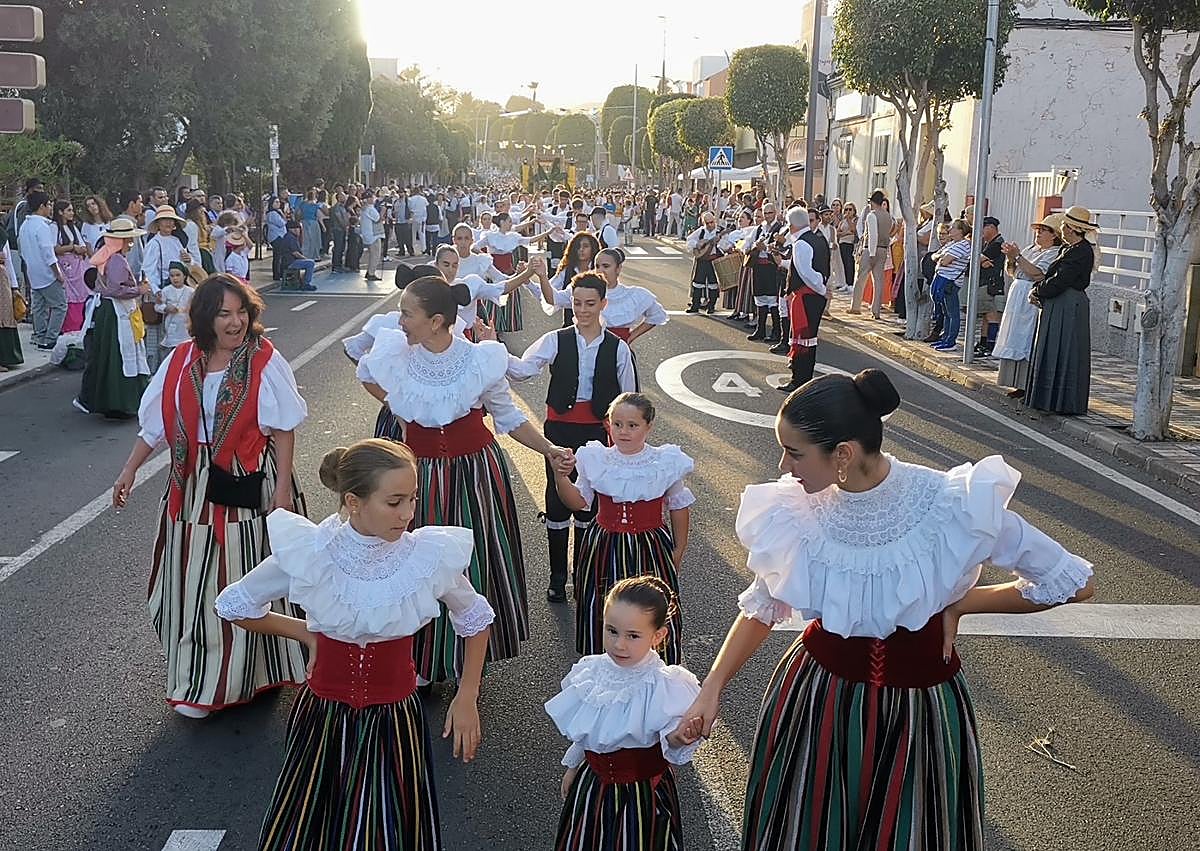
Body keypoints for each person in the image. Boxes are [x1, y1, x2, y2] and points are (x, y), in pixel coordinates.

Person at [672, 369, 1095, 850]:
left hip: (919, 716)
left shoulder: (951, 502)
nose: (785, 466)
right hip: (817, 704)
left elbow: (1073, 583)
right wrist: (712, 689)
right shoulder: (796, 509)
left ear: (844, 455)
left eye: (794, 452)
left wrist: (959, 605)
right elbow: (763, 605)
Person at [216, 439, 494, 849]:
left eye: (412, 499)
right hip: (323, 716)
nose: (408, 514)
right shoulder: (313, 551)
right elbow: (235, 604)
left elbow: (475, 619)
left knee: (388, 828)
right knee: (313, 822)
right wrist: (307, 633)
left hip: (394, 719)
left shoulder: (425, 557)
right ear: (354, 501)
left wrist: (467, 694)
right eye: (394, 502)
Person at [356, 275, 573, 684]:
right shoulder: (396, 355)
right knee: (410, 561)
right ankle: (418, 657)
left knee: (470, 562)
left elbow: (508, 418)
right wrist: (402, 410)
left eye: (407, 312)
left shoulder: (479, 359)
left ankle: (460, 656)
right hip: (418, 474)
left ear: (436, 321)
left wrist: (549, 450)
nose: (399, 319)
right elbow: (368, 377)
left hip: (474, 473)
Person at [113, 275, 310, 718]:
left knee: (246, 573)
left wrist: (281, 492)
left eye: (241, 311)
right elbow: (157, 425)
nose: (236, 321)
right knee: (195, 581)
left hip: (249, 474)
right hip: (192, 482)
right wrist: (128, 470)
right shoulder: (182, 360)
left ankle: (257, 670)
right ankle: (203, 681)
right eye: (224, 313)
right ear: (205, 317)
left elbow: (283, 427)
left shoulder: (263, 359)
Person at [504, 271, 638, 603]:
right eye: (577, 303)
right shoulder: (557, 339)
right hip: (560, 428)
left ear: (603, 304)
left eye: (590, 303)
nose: (582, 310)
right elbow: (522, 370)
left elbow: (630, 399)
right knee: (557, 495)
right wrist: (493, 347)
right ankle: (557, 574)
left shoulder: (618, 348)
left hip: (596, 430)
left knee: (588, 498)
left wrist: (625, 442)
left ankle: (583, 572)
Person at [545, 576, 704, 851]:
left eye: (633, 635)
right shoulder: (592, 671)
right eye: (612, 631)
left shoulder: (665, 684)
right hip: (592, 785)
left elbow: (671, 740)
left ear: (658, 636)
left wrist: (680, 737)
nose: (619, 644)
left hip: (642, 794)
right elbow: (590, 729)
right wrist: (573, 766)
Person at [552, 392, 694, 664]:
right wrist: (561, 478)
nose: (623, 432)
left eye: (632, 425)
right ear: (608, 424)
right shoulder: (596, 458)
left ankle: (655, 665)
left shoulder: (665, 461)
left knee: (651, 604)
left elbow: (678, 506)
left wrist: (679, 549)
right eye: (617, 424)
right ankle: (604, 662)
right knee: (603, 602)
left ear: (648, 426)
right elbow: (579, 503)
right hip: (605, 543)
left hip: (649, 544)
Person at [74, 218, 152, 417]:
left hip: (110, 311)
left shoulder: (106, 256)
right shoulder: (116, 259)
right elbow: (115, 289)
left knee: (109, 355)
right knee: (120, 355)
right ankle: (121, 401)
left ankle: (108, 401)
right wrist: (139, 289)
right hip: (117, 312)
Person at [1026, 206, 1095, 415]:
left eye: (1064, 225)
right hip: (1059, 302)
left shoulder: (1082, 251)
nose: (1062, 228)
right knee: (1053, 347)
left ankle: (1063, 402)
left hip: (1069, 304)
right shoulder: (1068, 249)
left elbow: (1062, 280)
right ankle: (1048, 399)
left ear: (1072, 228)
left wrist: (1038, 291)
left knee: (1065, 349)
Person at [995, 214, 1063, 397]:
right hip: (1018, 294)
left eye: (1044, 230)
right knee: (1014, 334)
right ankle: (1014, 380)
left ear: (1054, 235)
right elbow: (1013, 271)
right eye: (1038, 230)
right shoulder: (1032, 249)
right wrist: (1011, 258)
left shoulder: (1053, 253)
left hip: (1031, 296)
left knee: (1027, 337)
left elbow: (1038, 274)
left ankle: (1027, 384)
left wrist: (1018, 257)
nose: (1038, 233)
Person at [775, 207, 829, 392]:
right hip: (813, 296)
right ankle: (803, 377)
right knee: (808, 338)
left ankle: (799, 379)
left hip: (807, 296)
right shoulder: (818, 240)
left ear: (792, 225)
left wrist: (821, 289)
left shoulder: (801, 244)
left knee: (802, 337)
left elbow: (806, 273)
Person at [17, 190, 64, 351]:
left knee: (39, 307)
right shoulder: (42, 226)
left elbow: (22, 250)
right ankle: (50, 338)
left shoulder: (25, 225)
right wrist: (58, 274)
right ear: (42, 206)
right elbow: (48, 253)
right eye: (49, 205)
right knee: (60, 306)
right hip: (47, 274)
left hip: (33, 273)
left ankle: (39, 335)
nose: (51, 208)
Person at [928, 219, 973, 351]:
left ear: (960, 231)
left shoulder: (963, 245)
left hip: (950, 281)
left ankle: (951, 340)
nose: (950, 230)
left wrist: (941, 258)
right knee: (945, 311)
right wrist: (939, 258)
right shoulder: (952, 244)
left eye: (953, 228)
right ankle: (945, 337)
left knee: (952, 312)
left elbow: (945, 261)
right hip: (941, 277)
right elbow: (935, 256)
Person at [849, 190, 894, 318]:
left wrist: (872, 253)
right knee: (878, 281)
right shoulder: (888, 216)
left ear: (873, 202)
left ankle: (855, 306)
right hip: (884, 249)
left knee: (861, 278)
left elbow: (873, 234)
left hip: (870, 249)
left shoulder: (872, 215)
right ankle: (876, 310)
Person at [745, 204, 785, 343]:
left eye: (770, 212)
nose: (768, 215)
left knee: (772, 301)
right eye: (765, 213)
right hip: (758, 267)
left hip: (771, 268)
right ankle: (760, 329)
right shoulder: (759, 228)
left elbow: (783, 249)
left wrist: (766, 249)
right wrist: (755, 246)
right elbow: (747, 245)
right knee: (760, 299)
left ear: (775, 213)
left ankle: (776, 331)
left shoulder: (780, 228)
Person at [52, 199, 91, 335]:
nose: (72, 213)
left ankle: (80, 324)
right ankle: (68, 326)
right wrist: (72, 247)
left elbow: (82, 244)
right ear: (60, 212)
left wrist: (81, 249)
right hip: (65, 265)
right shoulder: (54, 227)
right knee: (69, 295)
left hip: (77, 266)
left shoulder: (73, 227)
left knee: (81, 293)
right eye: (69, 210)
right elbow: (55, 248)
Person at [974, 215, 1007, 357]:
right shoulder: (988, 243)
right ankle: (983, 342)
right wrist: (980, 261)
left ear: (992, 228)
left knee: (991, 315)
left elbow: (977, 258)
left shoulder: (997, 244)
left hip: (990, 284)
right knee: (985, 316)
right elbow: (976, 260)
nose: (980, 231)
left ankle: (990, 344)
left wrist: (980, 260)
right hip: (984, 283)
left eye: (983, 227)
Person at [685, 211, 725, 314]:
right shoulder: (701, 231)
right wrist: (697, 244)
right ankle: (695, 305)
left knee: (713, 283)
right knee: (698, 282)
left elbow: (725, 246)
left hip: (714, 260)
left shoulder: (719, 231)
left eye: (712, 222)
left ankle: (711, 306)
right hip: (702, 260)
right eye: (708, 223)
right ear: (704, 223)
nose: (710, 225)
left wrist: (719, 242)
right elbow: (689, 241)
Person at [156, 261, 196, 351]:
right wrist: (166, 308)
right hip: (172, 327)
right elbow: (157, 306)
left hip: (185, 328)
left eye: (178, 275)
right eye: (172, 276)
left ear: (184, 276)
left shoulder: (191, 291)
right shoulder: (166, 291)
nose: (175, 278)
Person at [0, 225, 24, 371]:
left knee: (4, 316)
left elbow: (7, 259)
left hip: (2, 280)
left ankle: (6, 356)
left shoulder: (2, 234)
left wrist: (14, 287)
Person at [278, 221, 317, 291]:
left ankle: (303, 281)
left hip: (289, 261)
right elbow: (295, 253)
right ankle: (306, 283)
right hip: (290, 262)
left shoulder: (289, 236)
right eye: (296, 228)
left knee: (308, 262)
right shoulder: (290, 238)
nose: (298, 230)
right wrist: (305, 259)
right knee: (310, 263)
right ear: (291, 229)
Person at [359, 191, 383, 281]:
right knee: (375, 254)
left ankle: (370, 271)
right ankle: (371, 273)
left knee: (373, 253)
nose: (374, 199)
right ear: (368, 199)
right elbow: (378, 219)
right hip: (373, 235)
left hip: (369, 234)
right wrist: (383, 211)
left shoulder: (365, 208)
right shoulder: (369, 209)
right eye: (372, 197)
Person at [265, 197, 288, 281]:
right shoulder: (272, 213)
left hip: (280, 236)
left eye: (278, 202)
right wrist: (283, 216)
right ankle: (277, 274)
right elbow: (281, 223)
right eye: (276, 202)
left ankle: (280, 273)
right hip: (276, 236)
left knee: (280, 256)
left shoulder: (277, 212)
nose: (278, 204)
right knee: (277, 256)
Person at [328, 191, 349, 271]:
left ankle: (339, 264)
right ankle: (336, 265)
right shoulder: (336, 207)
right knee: (338, 247)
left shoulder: (342, 207)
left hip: (342, 230)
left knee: (342, 247)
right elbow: (339, 219)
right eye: (343, 196)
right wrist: (345, 226)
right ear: (339, 198)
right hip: (338, 230)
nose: (345, 198)